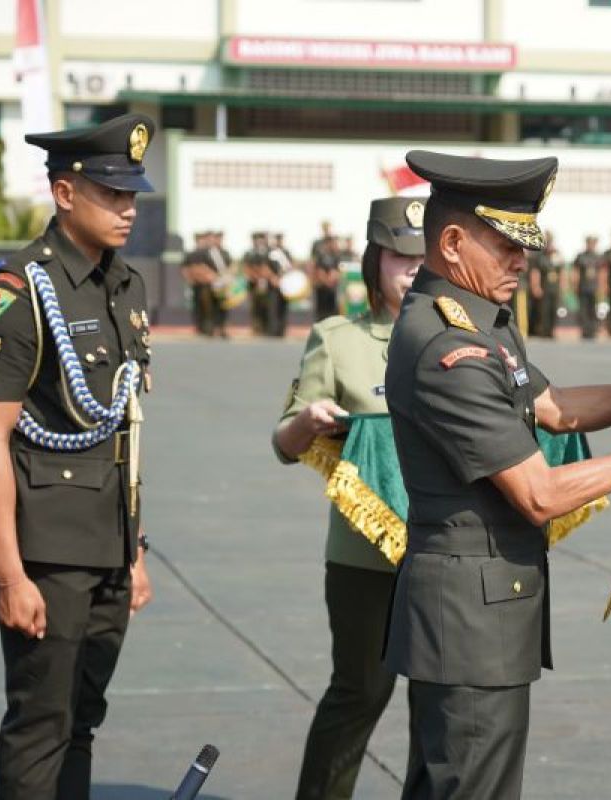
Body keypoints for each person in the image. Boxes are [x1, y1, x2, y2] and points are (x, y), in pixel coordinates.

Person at [384, 149, 611, 800]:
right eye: (506, 245)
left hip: (475, 618)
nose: (523, 262)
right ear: (451, 242)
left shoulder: (479, 320)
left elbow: (553, 410)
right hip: (468, 627)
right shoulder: (450, 346)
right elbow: (540, 493)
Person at [0, 112, 156, 799]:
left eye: (133, 196)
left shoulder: (125, 286)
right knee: (42, 723)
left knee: (83, 722)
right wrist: (10, 575)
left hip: (108, 546)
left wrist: (136, 550)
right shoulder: (15, 292)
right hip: (45, 552)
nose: (127, 210)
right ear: (66, 194)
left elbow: (123, 429)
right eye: (112, 194)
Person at [272, 196, 426, 800]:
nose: (412, 270)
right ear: (375, 261)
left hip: (449, 554)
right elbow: (284, 442)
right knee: (360, 692)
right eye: (398, 256)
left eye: (422, 257)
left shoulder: (474, 338)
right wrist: (308, 420)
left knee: (441, 706)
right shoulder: (337, 341)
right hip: (366, 557)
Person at [526, 230, 564, 338]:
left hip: (554, 288)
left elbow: (561, 272)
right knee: (544, 311)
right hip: (545, 287)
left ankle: (551, 331)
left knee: (553, 310)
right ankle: (544, 331)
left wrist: (561, 286)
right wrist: (536, 286)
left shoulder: (557, 255)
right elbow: (535, 272)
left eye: (551, 240)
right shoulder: (540, 255)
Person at [310, 222, 342, 322]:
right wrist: (325, 280)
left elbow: (338, 269)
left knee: (332, 310)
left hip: (332, 286)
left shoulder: (336, 255)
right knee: (321, 310)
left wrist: (334, 277)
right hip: (322, 285)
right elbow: (316, 268)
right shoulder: (320, 252)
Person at [574, 235, 602, 339]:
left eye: (593, 243)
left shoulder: (598, 257)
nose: (591, 245)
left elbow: (601, 273)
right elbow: (576, 272)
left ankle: (592, 330)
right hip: (583, 287)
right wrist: (575, 285)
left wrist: (601, 286)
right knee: (583, 310)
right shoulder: (581, 256)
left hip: (594, 287)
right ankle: (585, 330)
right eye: (589, 243)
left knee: (592, 310)